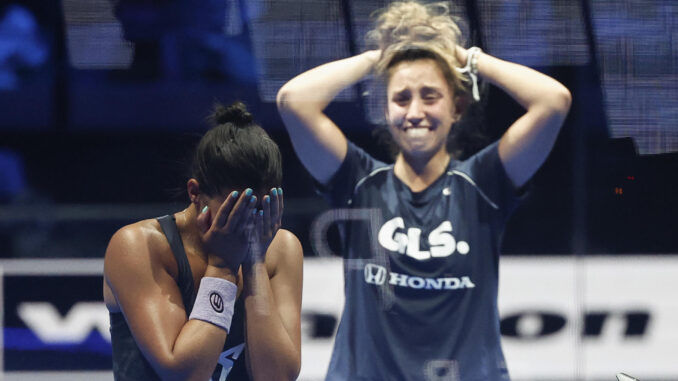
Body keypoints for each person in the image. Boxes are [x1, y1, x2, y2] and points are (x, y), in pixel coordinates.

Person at [276, 1, 571, 380]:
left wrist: (466, 59)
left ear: (458, 107)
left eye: (430, 96)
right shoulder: (357, 180)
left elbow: (553, 101)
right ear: (385, 109)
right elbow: (292, 100)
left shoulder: (484, 182)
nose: (415, 110)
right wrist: (379, 56)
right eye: (401, 98)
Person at [103, 101, 303, 381]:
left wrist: (254, 262)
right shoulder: (138, 246)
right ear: (195, 192)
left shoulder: (282, 249)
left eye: (259, 209)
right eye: (236, 208)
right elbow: (185, 375)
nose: (248, 223)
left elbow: (277, 378)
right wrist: (223, 266)